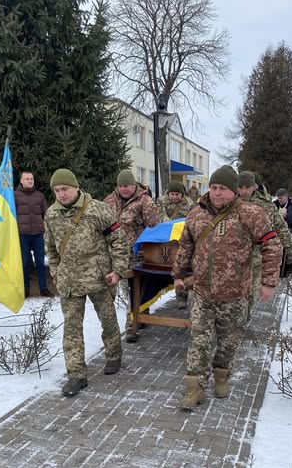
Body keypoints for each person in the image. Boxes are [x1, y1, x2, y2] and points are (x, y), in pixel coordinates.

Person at [172, 165, 283, 409]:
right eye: (213, 188)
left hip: (235, 295)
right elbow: (185, 247)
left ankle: (222, 376)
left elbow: (272, 247)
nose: (217, 193)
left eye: (223, 189)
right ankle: (194, 388)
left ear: (233, 192)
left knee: (228, 342)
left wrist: (268, 282)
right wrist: (178, 274)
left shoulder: (250, 214)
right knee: (198, 340)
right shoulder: (196, 214)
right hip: (202, 293)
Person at [44, 168, 130, 396]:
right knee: (71, 328)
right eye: (57, 190)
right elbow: (51, 249)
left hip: (99, 278)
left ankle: (113, 355)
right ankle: (76, 374)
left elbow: (119, 240)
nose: (61, 194)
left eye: (65, 189)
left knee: (108, 319)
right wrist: (56, 274)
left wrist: (118, 271)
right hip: (70, 282)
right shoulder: (51, 214)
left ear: (76, 187)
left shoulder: (98, 210)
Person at [103, 169, 159, 342]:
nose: (123, 189)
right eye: (120, 186)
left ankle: (134, 321)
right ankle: (136, 320)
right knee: (128, 289)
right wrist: (112, 229)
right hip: (117, 253)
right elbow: (105, 224)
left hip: (138, 253)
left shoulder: (145, 200)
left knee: (137, 286)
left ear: (134, 185)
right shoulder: (109, 201)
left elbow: (154, 225)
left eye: (126, 186)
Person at [238, 171, 292, 318]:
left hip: (255, 258)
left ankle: (244, 321)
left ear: (254, 187)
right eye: (240, 187)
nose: (244, 191)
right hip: (232, 258)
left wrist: (290, 247)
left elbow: (280, 227)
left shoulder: (266, 205)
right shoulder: (229, 202)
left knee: (251, 294)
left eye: (247, 187)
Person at [157, 180, 195, 309]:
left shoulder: (189, 203)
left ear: (182, 195)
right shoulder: (161, 201)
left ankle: (181, 296)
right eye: (172, 194)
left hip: (183, 238)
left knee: (183, 267)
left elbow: (193, 218)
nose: (174, 197)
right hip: (167, 237)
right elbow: (160, 215)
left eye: (177, 194)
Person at [14, 171, 53, 298]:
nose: (30, 181)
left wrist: (46, 229)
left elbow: (46, 215)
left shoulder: (40, 196)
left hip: (38, 234)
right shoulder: (15, 196)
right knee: (24, 263)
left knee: (41, 263)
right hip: (22, 234)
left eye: (31, 179)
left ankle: (43, 289)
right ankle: (25, 290)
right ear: (21, 181)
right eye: (27, 179)